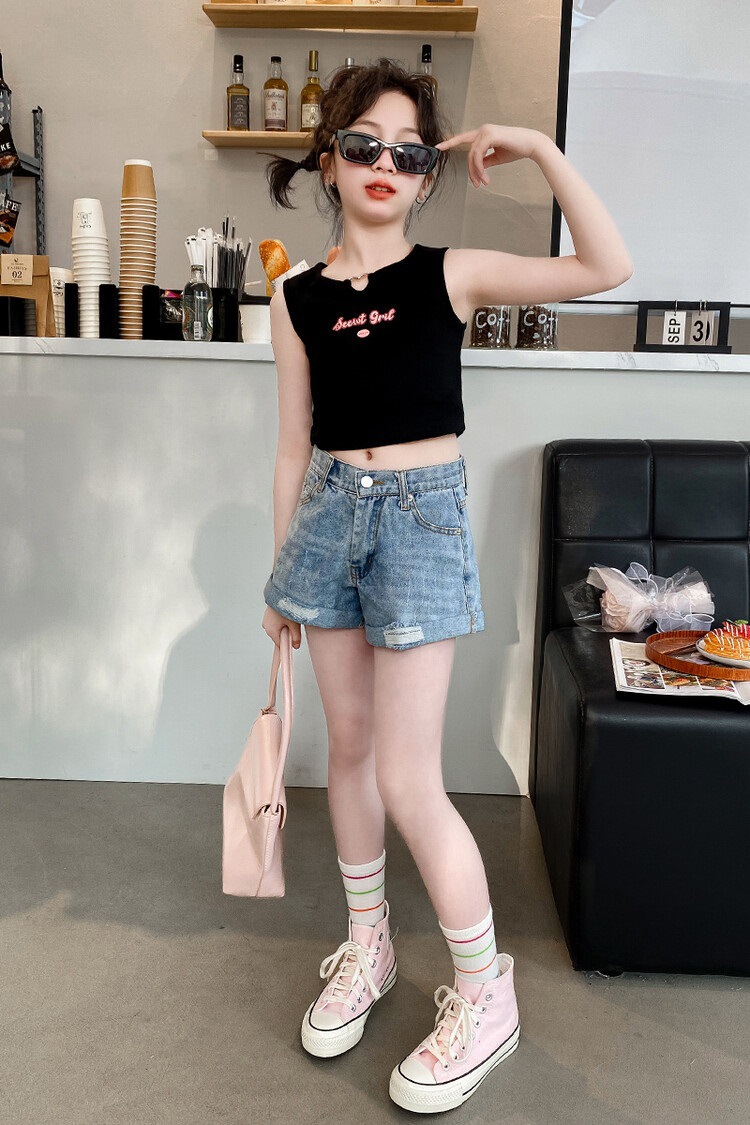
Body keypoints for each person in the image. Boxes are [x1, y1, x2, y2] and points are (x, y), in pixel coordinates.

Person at [260, 57, 632, 1114]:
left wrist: (542, 150)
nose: (385, 162)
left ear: (428, 175)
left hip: (420, 523)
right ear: (329, 158)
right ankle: (369, 944)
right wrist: (281, 576)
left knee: (411, 777)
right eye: (363, 143)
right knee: (348, 751)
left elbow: (607, 264)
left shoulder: (452, 273)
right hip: (325, 522)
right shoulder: (294, 296)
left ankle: (485, 992)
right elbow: (292, 445)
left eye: (409, 151)